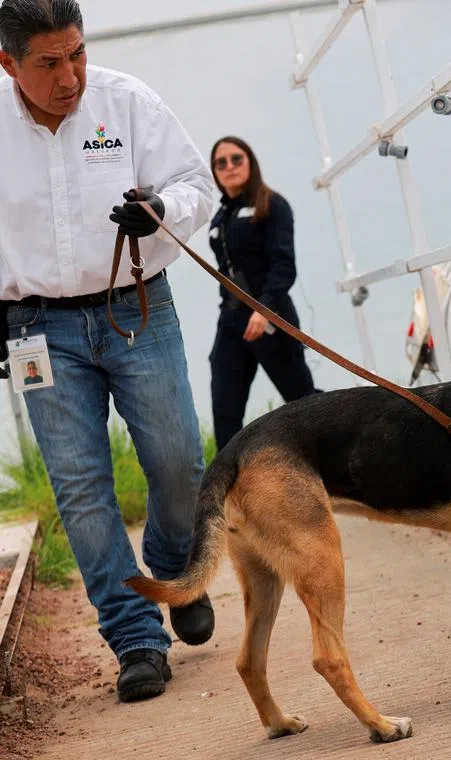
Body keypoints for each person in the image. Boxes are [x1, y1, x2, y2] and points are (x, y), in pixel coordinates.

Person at [0, 0, 216, 703]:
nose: (71, 76)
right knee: (81, 487)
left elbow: (196, 187)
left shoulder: (127, 103)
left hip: (137, 308)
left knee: (180, 459)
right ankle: (134, 637)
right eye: (49, 62)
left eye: (78, 53)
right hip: (37, 329)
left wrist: (160, 208)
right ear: (9, 63)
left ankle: (174, 566)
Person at [206, 136, 318, 452]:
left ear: (251, 162)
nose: (229, 167)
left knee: (303, 402)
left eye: (236, 159)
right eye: (220, 163)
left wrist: (265, 309)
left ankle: (337, 472)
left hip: (271, 317)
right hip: (231, 322)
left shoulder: (272, 205)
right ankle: (230, 490)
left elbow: (283, 266)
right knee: (225, 408)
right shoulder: (221, 216)